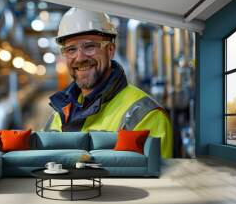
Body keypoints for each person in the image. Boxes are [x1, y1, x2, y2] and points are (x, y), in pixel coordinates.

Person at [44, 8, 173, 158]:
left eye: (89, 46)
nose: (79, 58)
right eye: (71, 49)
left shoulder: (146, 115)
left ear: (110, 50)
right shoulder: (59, 114)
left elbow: (149, 178)